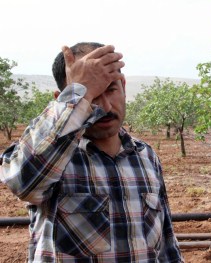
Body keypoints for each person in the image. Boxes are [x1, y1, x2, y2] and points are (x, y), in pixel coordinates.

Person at [0, 42, 184, 262]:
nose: (105, 107)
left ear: (123, 86)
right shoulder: (53, 158)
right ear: (63, 99)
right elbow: (23, 183)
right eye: (91, 95)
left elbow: (167, 248)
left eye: (111, 89)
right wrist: (76, 96)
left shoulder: (146, 156)